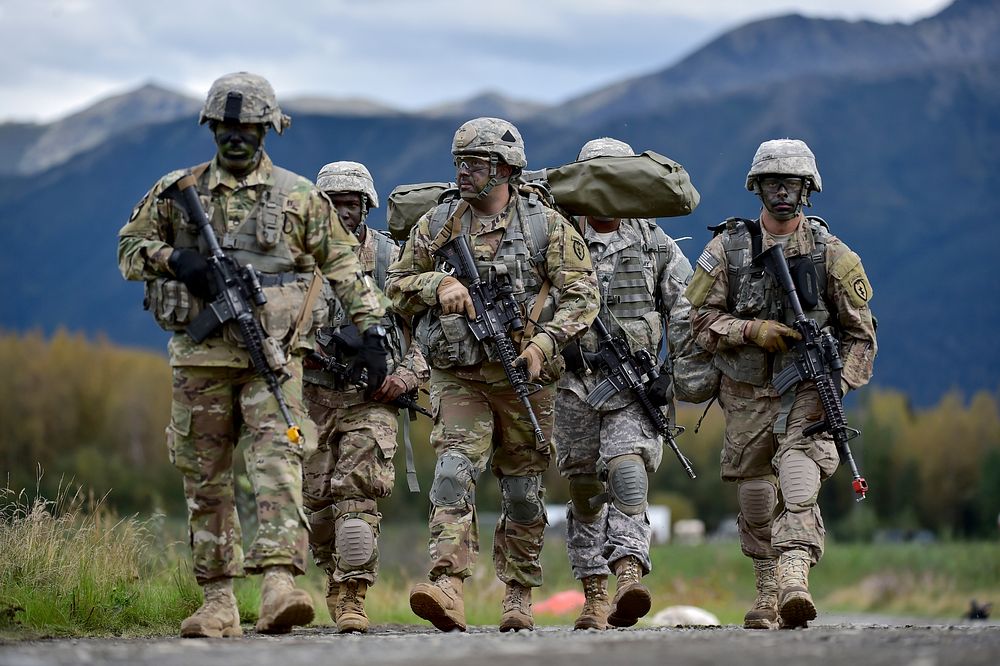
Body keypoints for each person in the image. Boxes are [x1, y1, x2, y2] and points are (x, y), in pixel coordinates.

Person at [117, 72, 388, 638]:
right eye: (226, 127)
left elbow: (343, 264)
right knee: (206, 477)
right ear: (212, 128)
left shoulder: (299, 196)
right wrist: (174, 259)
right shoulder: (177, 190)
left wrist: (372, 333)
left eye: (248, 127)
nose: (236, 137)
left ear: (268, 130)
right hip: (200, 360)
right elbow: (128, 249)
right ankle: (217, 601)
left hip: (274, 358)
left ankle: (279, 586)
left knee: (279, 465)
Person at [384, 117, 599, 632]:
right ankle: (448, 585)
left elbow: (583, 292)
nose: (463, 172)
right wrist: (437, 285)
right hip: (460, 376)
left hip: (527, 380)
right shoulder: (437, 225)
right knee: (455, 471)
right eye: (459, 162)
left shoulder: (545, 226)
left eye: (475, 163)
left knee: (523, 492)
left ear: (504, 169)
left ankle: (519, 596)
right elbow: (395, 284)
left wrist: (544, 343)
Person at [685, 139, 877, 629]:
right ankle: (768, 588)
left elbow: (862, 336)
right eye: (773, 183)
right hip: (746, 391)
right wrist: (752, 330)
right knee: (754, 495)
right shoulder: (727, 249)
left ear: (807, 189)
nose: (783, 192)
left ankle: (795, 575)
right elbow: (699, 319)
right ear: (758, 188)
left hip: (808, 389)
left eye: (792, 183)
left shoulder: (833, 255)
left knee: (797, 474)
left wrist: (838, 383)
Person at [554, 137, 695, 630]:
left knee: (628, 473)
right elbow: (524, 296)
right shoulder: (558, 236)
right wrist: (554, 341)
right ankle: (593, 593)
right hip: (571, 385)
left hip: (633, 386)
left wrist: (670, 379)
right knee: (585, 489)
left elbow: (685, 311)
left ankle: (629, 574)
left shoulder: (651, 241)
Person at [301, 161, 429, 633]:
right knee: (313, 501)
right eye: (334, 204)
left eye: (351, 204)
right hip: (310, 396)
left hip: (371, 398)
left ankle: (353, 594)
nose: (343, 212)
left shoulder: (393, 261)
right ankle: (332, 579)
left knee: (357, 495)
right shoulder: (299, 261)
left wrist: (405, 376)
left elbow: (428, 331)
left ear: (367, 207)